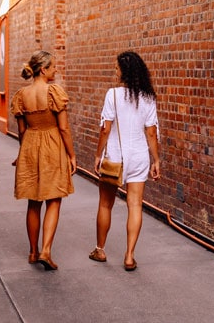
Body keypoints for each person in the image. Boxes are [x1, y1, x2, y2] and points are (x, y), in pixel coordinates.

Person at [90, 50, 161, 270]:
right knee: (135, 205)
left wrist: (98, 155)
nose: (116, 70)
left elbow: (105, 129)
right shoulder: (148, 97)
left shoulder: (112, 95)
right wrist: (156, 160)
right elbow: (151, 132)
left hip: (114, 156)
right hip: (139, 157)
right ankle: (129, 255)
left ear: (124, 71)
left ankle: (100, 249)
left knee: (105, 204)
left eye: (117, 67)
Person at [11, 50, 76, 271]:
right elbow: (64, 128)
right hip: (52, 144)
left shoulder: (21, 94)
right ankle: (46, 251)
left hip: (30, 144)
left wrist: (23, 153)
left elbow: (21, 130)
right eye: (53, 67)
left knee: (33, 201)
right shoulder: (54, 92)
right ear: (43, 69)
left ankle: (32, 252)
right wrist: (72, 155)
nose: (56, 70)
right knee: (54, 199)